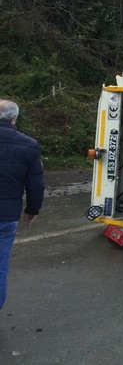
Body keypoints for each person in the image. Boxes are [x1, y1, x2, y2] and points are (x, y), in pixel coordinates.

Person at [0, 99, 44, 310]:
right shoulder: (29, 144)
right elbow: (35, 182)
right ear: (14, 118)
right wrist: (32, 210)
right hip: (6, 215)